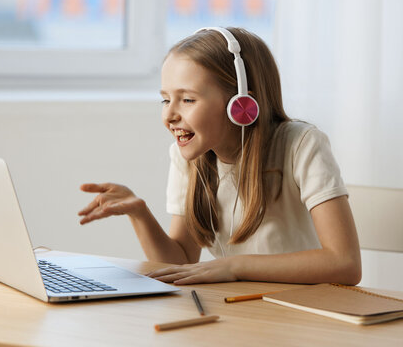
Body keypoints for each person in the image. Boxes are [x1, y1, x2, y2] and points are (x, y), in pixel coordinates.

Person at [78, 27, 362, 286]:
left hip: (302, 313)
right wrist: (138, 213)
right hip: (237, 310)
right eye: (165, 99)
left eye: (187, 99)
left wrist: (235, 266)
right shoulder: (188, 157)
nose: (169, 115)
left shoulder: (301, 145)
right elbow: (181, 263)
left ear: (242, 106)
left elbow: (345, 263)